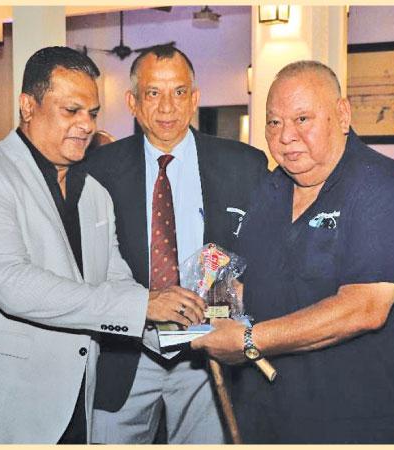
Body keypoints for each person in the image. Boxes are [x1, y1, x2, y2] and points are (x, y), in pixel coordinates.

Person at [0, 46, 205, 444]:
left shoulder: (94, 192)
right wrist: (144, 304)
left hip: (75, 412)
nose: (85, 125)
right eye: (71, 111)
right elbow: (13, 286)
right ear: (28, 106)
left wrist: (189, 329)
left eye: (92, 113)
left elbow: (115, 280)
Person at [192, 60, 394, 443]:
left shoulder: (380, 185)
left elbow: (365, 307)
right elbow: (253, 283)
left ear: (342, 115)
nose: (286, 136)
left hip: (354, 421)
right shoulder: (269, 190)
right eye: (274, 123)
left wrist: (247, 341)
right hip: (266, 416)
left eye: (302, 119)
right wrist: (205, 310)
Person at [83, 45, 268, 444]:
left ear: (195, 99)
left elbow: (266, 254)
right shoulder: (98, 171)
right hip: (126, 355)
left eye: (179, 92)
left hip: (208, 360)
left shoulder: (246, 166)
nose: (167, 106)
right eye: (153, 93)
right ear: (132, 101)